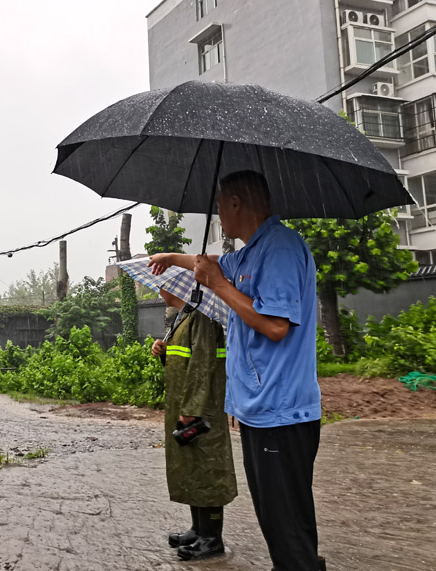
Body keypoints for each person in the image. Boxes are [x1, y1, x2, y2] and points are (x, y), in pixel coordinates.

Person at [148, 170, 324, 571]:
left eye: (218, 207)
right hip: (260, 411)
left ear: (235, 203)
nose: (218, 216)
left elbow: (277, 326)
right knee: (282, 524)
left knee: (286, 528)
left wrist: (219, 285)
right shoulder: (247, 253)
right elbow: (205, 263)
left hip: (281, 410)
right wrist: (169, 258)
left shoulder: (278, 249)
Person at [151, 288, 236, 561]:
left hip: (200, 411)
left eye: (162, 283)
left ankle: (212, 538)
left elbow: (203, 364)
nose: (159, 288)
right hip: (183, 407)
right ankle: (198, 530)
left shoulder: (201, 316)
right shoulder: (184, 316)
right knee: (191, 467)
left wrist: (191, 410)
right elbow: (184, 358)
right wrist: (163, 351)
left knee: (207, 470)